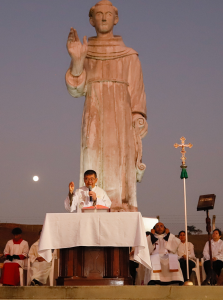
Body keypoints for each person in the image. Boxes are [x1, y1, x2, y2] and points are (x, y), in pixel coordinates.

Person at [65, 0, 148, 212]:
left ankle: (121, 202)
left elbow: (137, 91)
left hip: (121, 112)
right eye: (99, 14)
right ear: (91, 20)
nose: (103, 18)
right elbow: (76, 89)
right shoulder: (85, 51)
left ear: (116, 18)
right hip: (94, 109)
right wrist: (77, 60)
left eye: (108, 14)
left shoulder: (129, 55)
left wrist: (137, 115)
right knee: (92, 152)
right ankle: (91, 202)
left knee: (120, 156)